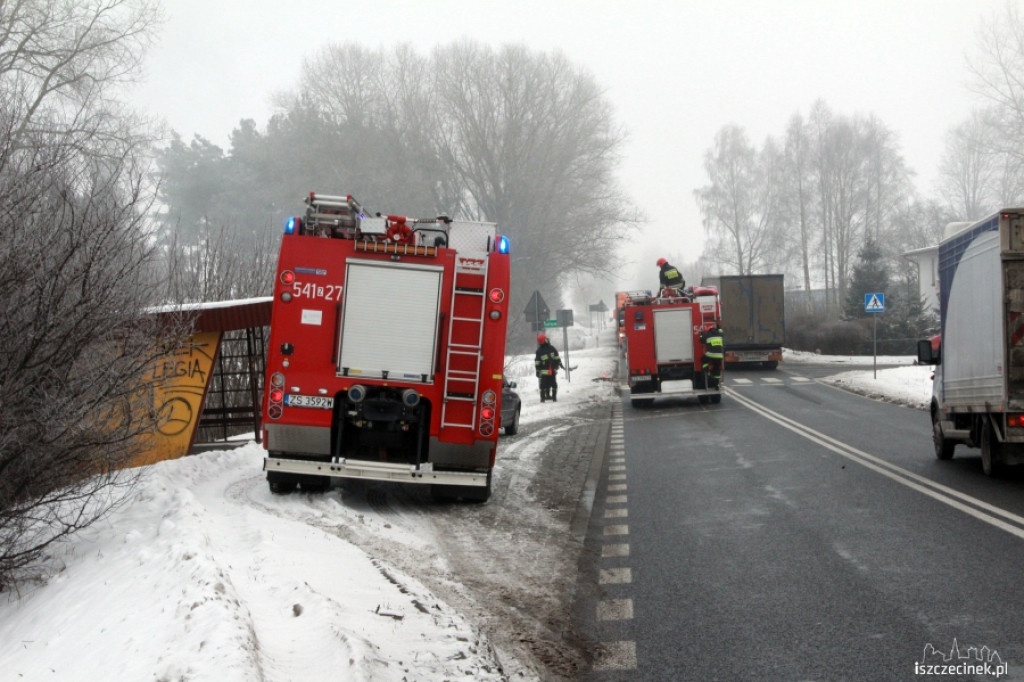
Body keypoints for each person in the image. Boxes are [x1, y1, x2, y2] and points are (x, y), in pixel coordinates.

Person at [534, 333, 563, 402]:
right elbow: (537, 362)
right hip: (544, 372)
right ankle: (543, 398)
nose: (547, 339)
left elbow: (557, 357)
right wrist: (538, 370)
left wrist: (560, 364)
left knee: (554, 385)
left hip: (552, 370)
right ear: (543, 341)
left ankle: (554, 397)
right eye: (546, 339)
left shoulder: (552, 348)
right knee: (543, 386)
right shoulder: (539, 351)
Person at [699, 322, 724, 388]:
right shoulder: (720, 334)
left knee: (703, 360)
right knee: (717, 368)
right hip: (720, 356)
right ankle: (717, 384)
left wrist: (701, 334)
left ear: (708, 330)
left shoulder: (707, 335)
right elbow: (721, 331)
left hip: (711, 354)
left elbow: (701, 340)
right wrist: (719, 327)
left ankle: (707, 372)